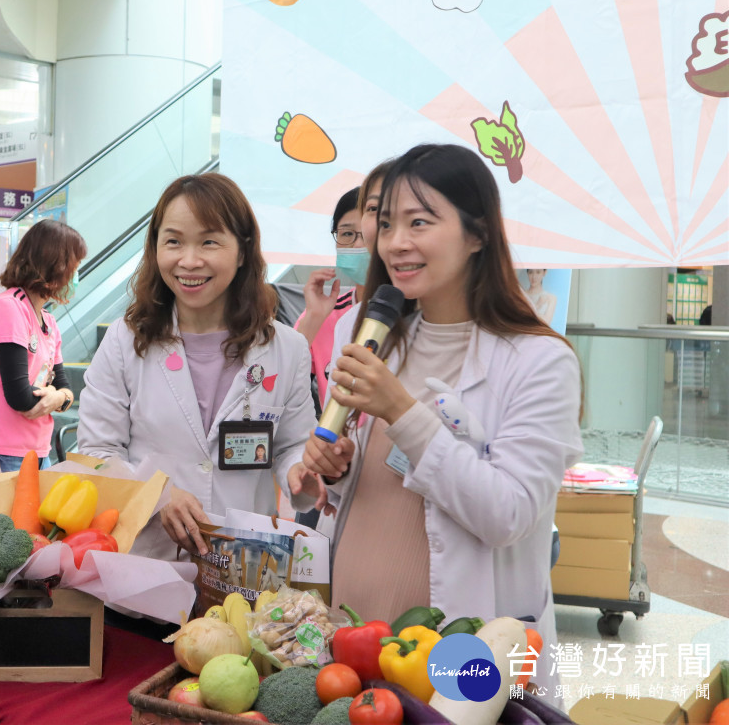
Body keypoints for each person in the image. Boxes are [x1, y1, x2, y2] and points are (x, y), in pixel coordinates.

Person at [301, 143, 582, 690]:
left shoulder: (540, 361)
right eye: (385, 225)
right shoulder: (381, 336)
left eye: (419, 222)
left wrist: (401, 411)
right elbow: (379, 486)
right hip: (355, 634)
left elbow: (509, 514)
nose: (396, 243)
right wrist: (333, 468)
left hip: (458, 648)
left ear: (477, 234)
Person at [77, 173, 322, 561]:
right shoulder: (126, 340)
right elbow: (96, 451)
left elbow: (293, 445)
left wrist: (301, 472)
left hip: (245, 569)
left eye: (209, 241)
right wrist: (156, 495)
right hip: (146, 562)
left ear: (242, 252)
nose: (189, 261)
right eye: (173, 241)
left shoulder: (285, 348)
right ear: (155, 247)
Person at [0, 219, 86, 472]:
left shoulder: (48, 321)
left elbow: (65, 387)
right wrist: (60, 398)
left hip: (39, 452)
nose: (76, 274)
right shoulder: (8, 308)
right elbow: (20, 398)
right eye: (75, 265)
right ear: (55, 265)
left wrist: (59, 396)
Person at [295, 160, 393, 407]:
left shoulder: (418, 313)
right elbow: (280, 382)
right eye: (347, 234)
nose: (360, 245)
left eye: (369, 233)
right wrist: (313, 319)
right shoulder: (322, 315)